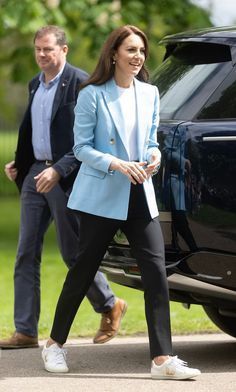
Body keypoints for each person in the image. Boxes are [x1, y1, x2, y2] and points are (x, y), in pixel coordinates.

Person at [41, 25, 201, 380]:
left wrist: (154, 155)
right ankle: (54, 344)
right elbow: (81, 148)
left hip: (138, 193)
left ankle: (162, 359)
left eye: (141, 50)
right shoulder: (92, 94)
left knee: (157, 275)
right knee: (83, 272)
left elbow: (149, 141)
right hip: (100, 197)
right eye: (131, 49)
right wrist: (116, 163)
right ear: (113, 53)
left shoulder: (150, 93)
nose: (138, 56)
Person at [0, 25, 127, 350]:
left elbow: (88, 141)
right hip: (34, 177)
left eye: (48, 49)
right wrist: (21, 163)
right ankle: (26, 330)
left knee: (73, 253)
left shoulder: (81, 85)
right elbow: (33, 129)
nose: (42, 55)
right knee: (26, 253)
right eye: (38, 49)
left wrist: (58, 170)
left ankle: (110, 304)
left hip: (66, 178)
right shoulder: (34, 85)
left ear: (64, 50)